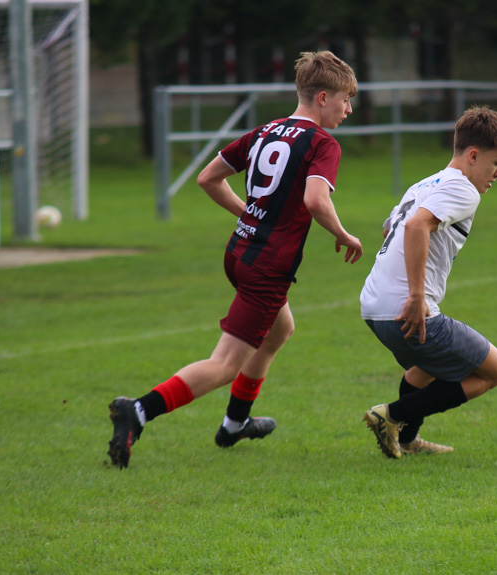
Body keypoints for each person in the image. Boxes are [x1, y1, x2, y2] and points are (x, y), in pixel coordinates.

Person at [107, 51, 363, 469]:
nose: (348, 109)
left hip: (239, 251)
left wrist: (249, 213)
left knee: (280, 330)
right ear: (321, 97)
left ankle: (234, 424)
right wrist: (344, 234)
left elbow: (208, 178)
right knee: (225, 363)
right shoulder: (322, 143)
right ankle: (138, 410)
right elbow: (315, 200)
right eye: (345, 100)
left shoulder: (265, 131)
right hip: (267, 266)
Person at [360, 106, 497, 459]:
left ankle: (405, 440)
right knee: (495, 370)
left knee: (427, 371)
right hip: (405, 307)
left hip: (373, 307)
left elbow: (390, 228)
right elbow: (416, 227)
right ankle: (391, 416)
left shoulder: (423, 183)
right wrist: (417, 295)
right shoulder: (464, 189)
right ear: (474, 155)